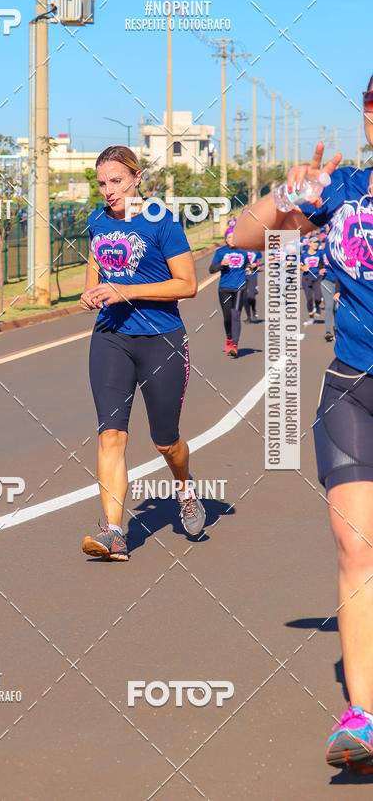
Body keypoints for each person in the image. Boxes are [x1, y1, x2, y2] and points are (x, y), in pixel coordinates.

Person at [233, 74, 373, 773]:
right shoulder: (345, 188)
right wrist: (289, 194)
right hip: (354, 386)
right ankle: (364, 720)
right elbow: (244, 235)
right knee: (356, 550)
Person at [80, 145, 204, 561]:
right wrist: (93, 292)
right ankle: (115, 532)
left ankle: (184, 489)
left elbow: (187, 284)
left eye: (115, 181)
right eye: (101, 183)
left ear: (136, 177)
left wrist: (126, 291)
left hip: (161, 340)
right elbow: (97, 268)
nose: (108, 191)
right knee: (110, 433)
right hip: (111, 337)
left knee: (165, 442)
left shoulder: (161, 220)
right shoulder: (97, 221)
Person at [208, 229, 249, 357]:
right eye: (229, 237)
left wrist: (250, 267)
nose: (232, 239)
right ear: (226, 239)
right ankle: (229, 338)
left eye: (234, 237)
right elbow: (211, 270)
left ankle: (235, 345)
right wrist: (221, 264)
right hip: (224, 289)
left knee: (236, 315)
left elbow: (247, 264)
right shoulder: (220, 252)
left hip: (240, 287)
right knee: (227, 317)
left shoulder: (243, 251)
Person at [300, 235, 325, 323]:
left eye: (317, 242)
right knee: (309, 299)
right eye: (314, 242)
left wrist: (322, 269)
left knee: (318, 298)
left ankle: (317, 306)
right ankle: (311, 317)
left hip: (317, 277)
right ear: (309, 243)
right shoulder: (304, 254)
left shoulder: (320, 253)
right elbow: (300, 264)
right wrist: (303, 268)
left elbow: (323, 264)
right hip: (307, 278)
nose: (316, 244)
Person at [320, 236, 340, 342]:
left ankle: (337, 329)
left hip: (339, 283)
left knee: (337, 308)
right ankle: (328, 331)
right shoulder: (322, 252)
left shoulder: (340, 252)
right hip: (326, 281)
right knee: (329, 306)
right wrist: (320, 269)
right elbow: (318, 264)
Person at [243, 250, 262, 322]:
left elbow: (261, 260)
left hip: (252, 276)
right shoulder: (239, 250)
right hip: (240, 276)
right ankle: (248, 316)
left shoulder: (255, 249)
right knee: (244, 297)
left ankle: (254, 310)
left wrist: (256, 264)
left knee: (251, 296)